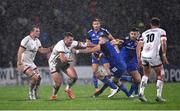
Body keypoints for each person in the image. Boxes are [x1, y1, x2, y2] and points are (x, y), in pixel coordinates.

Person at [49, 32, 91, 100]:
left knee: (74, 77)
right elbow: (62, 59)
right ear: (65, 39)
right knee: (58, 83)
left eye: (72, 40)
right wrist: (70, 59)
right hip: (54, 64)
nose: (71, 42)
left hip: (63, 63)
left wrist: (97, 44)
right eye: (70, 40)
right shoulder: (60, 45)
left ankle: (68, 89)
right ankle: (54, 95)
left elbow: (85, 44)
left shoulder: (72, 42)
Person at [136, 17, 169, 102]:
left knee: (146, 74)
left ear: (150, 24)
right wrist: (164, 55)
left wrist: (139, 57)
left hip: (144, 55)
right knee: (161, 74)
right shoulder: (161, 31)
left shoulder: (144, 33)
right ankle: (158, 96)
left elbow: (139, 46)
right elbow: (164, 42)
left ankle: (141, 93)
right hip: (153, 55)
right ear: (159, 24)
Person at [17, 25, 52, 100]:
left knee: (39, 78)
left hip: (31, 63)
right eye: (36, 31)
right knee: (34, 77)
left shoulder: (37, 41)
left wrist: (51, 48)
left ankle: (35, 93)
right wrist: (19, 63)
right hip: (23, 62)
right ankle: (30, 94)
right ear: (32, 32)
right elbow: (20, 52)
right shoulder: (26, 40)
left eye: (39, 31)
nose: (38, 32)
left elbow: (42, 50)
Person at [86, 18, 114, 92]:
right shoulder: (89, 33)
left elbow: (112, 39)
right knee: (95, 71)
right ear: (92, 25)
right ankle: (96, 88)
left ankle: (112, 87)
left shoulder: (104, 31)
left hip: (104, 54)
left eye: (97, 24)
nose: (96, 25)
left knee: (108, 71)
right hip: (95, 54)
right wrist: (96, 47)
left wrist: (113, 46)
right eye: (95, 24)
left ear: (100, 24)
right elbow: (88, 44)